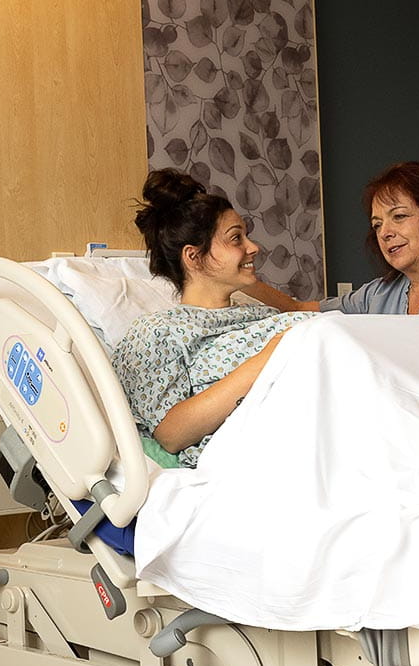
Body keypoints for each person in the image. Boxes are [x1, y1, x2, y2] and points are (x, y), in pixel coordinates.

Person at [111, 170, 312, 468]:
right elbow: (171, 434)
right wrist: (272, 356)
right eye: (236, 239)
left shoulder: (259, 315)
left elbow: (298, 311)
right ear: (193, 257)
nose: (253, 247)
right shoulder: (157, 332)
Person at [245, 161, 419, 315]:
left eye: (399, 216)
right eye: (377, 224)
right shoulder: (382, 294)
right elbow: (299, 310)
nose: (385, 232)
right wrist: (242, 278)